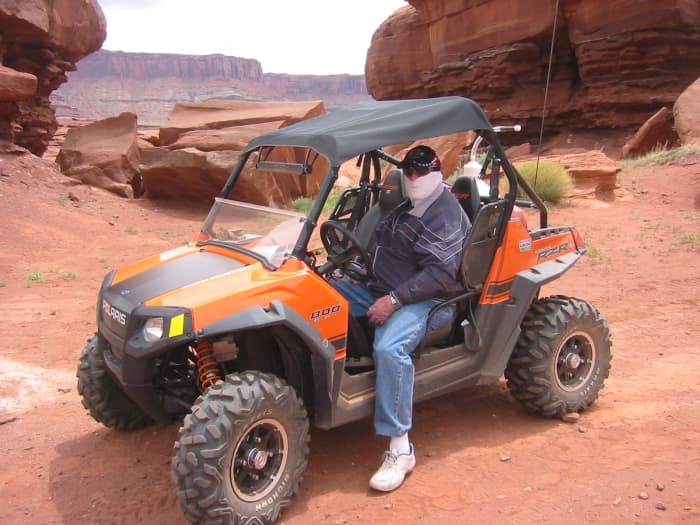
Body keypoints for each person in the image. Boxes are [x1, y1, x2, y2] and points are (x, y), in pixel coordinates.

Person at [331, 145, 471, 492]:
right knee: (320, 296)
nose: (413, 178)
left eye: (421, 172)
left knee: (390, 348)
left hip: (430, 302)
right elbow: (380, 253)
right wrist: (354, 273)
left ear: (437, 172)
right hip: (382, 288)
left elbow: (440, 276)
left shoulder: (445, 214)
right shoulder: (405, 209)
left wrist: (392, 301)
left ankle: (400, 447)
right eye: (408, 171)